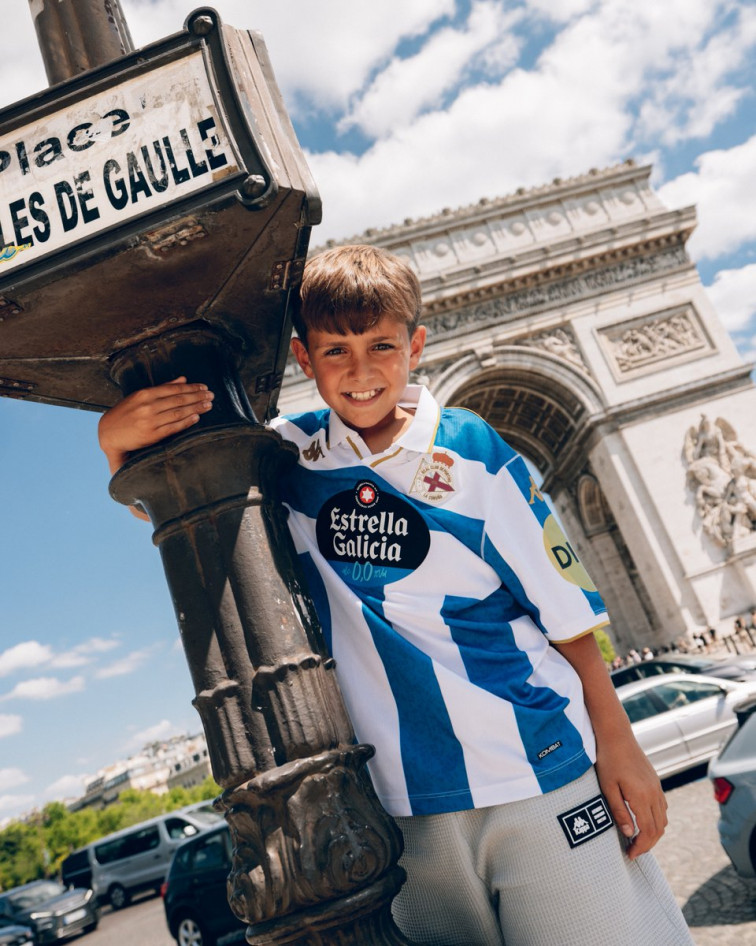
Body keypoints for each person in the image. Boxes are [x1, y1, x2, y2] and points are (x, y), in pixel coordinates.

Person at [98, 245, 693, 946]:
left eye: (381, 345)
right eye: (336, 350)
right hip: (401, 809)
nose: (360, 370)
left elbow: (566, 617)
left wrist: (620, 748)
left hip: (538, 771)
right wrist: (115, 444)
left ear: (415, 345)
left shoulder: (473, 449)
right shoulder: (287, 462)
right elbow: (189, 503)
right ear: (303, 358)